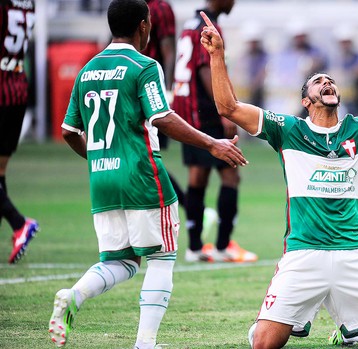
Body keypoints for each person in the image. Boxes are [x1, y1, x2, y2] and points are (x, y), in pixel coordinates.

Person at [199, 11, 358, 348]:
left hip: (355, 254)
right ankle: (319, 325)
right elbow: (228, 107)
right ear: (306, 101)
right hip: (304, 254)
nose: (327, 83)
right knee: (264, 343)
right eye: (319, 81)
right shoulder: (289, 129)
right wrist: (218, 55)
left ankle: (349, 328)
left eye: (330, 80)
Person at [49, 1, 247, 348]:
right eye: (150, 23)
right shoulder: (143, 66)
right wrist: (212, 144)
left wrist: (97, 160)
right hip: (142, 174)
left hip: (102, 180)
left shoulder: (87, 70)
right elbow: (163, 117)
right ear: (143, 25)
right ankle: (145, 343)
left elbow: (68, 131)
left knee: (121, 262)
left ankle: (73, 295)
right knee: (161, 257)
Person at [172, 0, 257, 263]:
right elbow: (205, 69)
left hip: (187, 109)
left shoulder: (190, 24)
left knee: (197, 178)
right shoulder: (209, 25)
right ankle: (222, 246)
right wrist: (227, 111)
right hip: (206, 110)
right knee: (231, 176)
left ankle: (195, 247)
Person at [0, 0, 39, 264]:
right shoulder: (29, 4)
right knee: (0, 174)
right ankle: (18, 228)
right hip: (17, 87)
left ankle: (18, 223)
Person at [143, 0, 186, 207]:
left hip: (149, 90)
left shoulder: (160, 8)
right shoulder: (126, 5)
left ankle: (186, 206)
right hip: (131, 87)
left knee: (146, 157)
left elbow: (169, 53)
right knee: (143, 157)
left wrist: (167, 92)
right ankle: (189, 207)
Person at [332, 24, 358, 117]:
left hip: (355, 103)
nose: (345, 45)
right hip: (339, 101)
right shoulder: (335, 59)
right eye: (343, 42)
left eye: (347, 42)